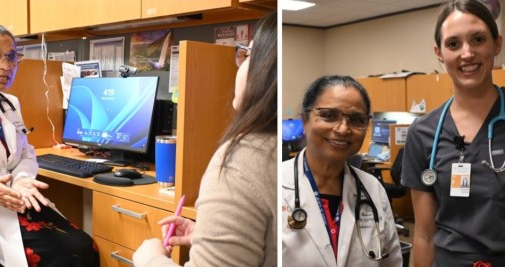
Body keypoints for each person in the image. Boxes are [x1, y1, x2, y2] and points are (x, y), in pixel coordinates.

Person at [0, 24, 98, 267]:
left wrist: (22, 179)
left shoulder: (10, 103)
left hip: (14, 202)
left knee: (84, 246)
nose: (7, 65)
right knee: (62, 256)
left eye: (12, 57)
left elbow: (26, 153)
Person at [133, 11, 278, 267]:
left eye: (249, 54)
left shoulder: (241, 161)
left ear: (266, 70)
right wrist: (211, 237)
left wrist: (150, 260)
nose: (242, 64)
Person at [401, 0, 505, 265]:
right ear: (439, 53)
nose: (467, 53)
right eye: (453, 44)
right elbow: (423, 236)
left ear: (497, 44)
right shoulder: (423, 132)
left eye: (478, 39)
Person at [281, 76, 403, 266]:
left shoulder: (372, 188)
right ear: (305, 121)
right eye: (329, 115)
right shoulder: (273, 184)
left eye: (356, 119)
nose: (343, 129)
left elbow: (392, 262)